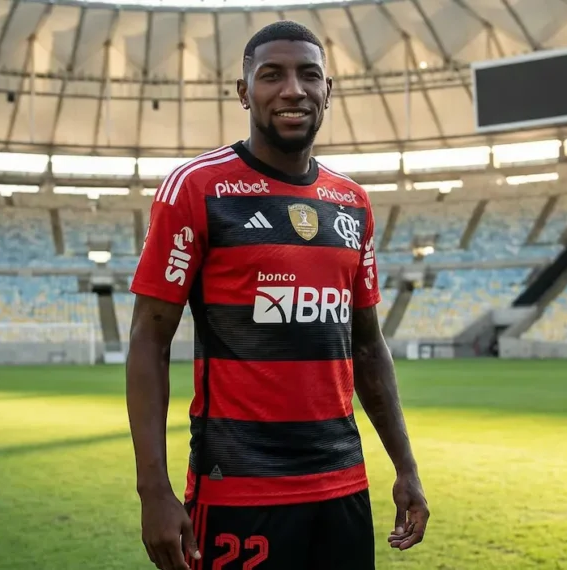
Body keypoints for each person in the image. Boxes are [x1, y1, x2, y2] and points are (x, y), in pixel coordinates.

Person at [125, 20, 429, 570]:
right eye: (272, 75)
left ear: (327, 91)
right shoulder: (196, 187)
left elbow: (367, 347)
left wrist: (405, 466)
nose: (293, 89)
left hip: (343, 487)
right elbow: (149, 339)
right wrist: (154, 492)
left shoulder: (352, 203)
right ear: (244, 92)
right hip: (240, 490)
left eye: (309, 75)